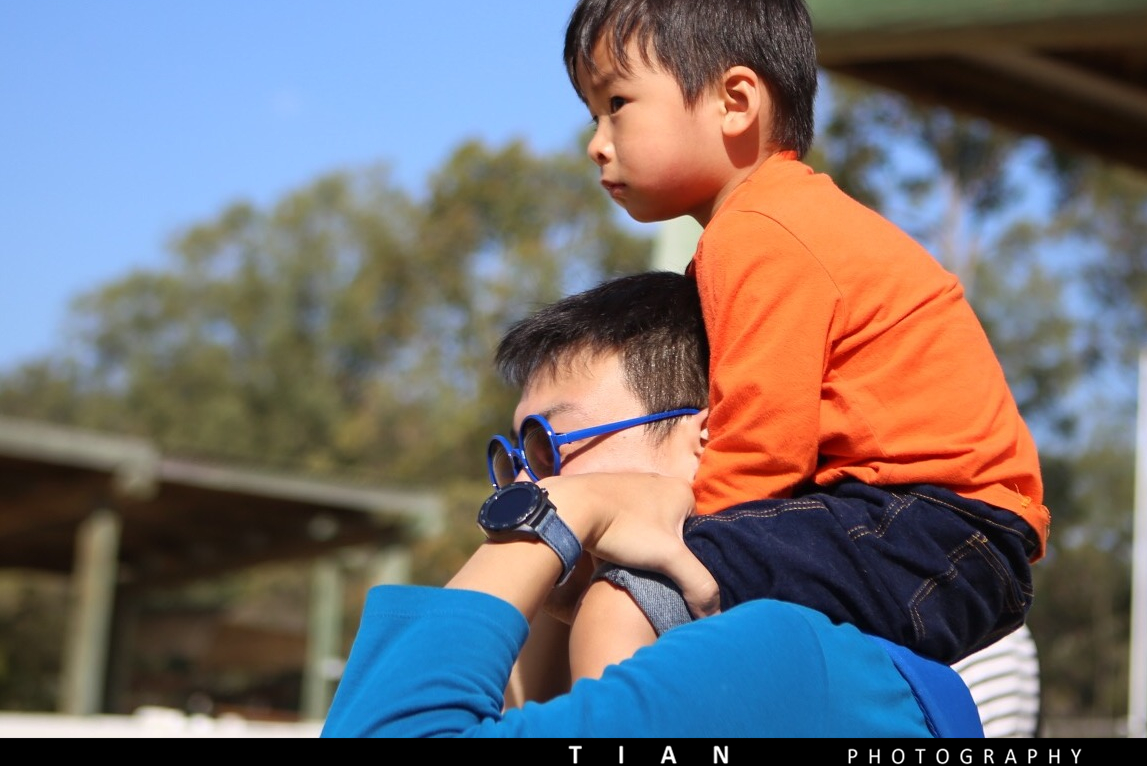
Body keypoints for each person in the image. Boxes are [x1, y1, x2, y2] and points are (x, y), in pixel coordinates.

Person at [559, 0, 1049, 678]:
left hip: (932, 525)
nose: (596, 139)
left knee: (628, 594)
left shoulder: (761, 232)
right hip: (923, 526)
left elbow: (760, 445)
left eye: (617, 102)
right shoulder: (766, 227)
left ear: (734, 100)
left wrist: (660, 524)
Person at [320, 272, 980, 737]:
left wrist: (561, 514)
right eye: (511, 460)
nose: (526, 485)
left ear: (708, 440)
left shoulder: (776, 656)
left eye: (548, 447)